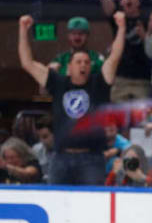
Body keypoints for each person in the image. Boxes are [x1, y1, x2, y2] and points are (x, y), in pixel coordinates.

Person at [18, 12, 125, 185]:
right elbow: (27, 63)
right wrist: (23, 30)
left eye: (86, 62)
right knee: (56, 205)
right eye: (78, 62)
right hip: (61, 156)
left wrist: (121, 27)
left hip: (92, 158)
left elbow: (115, 57)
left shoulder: (99, 83)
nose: (83, 65)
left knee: (92, 205)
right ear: (69, 66)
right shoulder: (58, 82)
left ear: (91, 66)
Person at [99, 0, 152, 102]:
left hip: (142, 79)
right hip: (120, 78)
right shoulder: (117, 18)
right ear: (121, 1)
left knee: (141, 121)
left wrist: (144, 36)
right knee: (117, 119)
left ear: (138, 2)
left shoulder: (147, 20)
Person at [32, 115, 54, 183]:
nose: (41, 141)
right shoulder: (36, 149)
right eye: (39, 137)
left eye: (45, 137)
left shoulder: (68, 152)